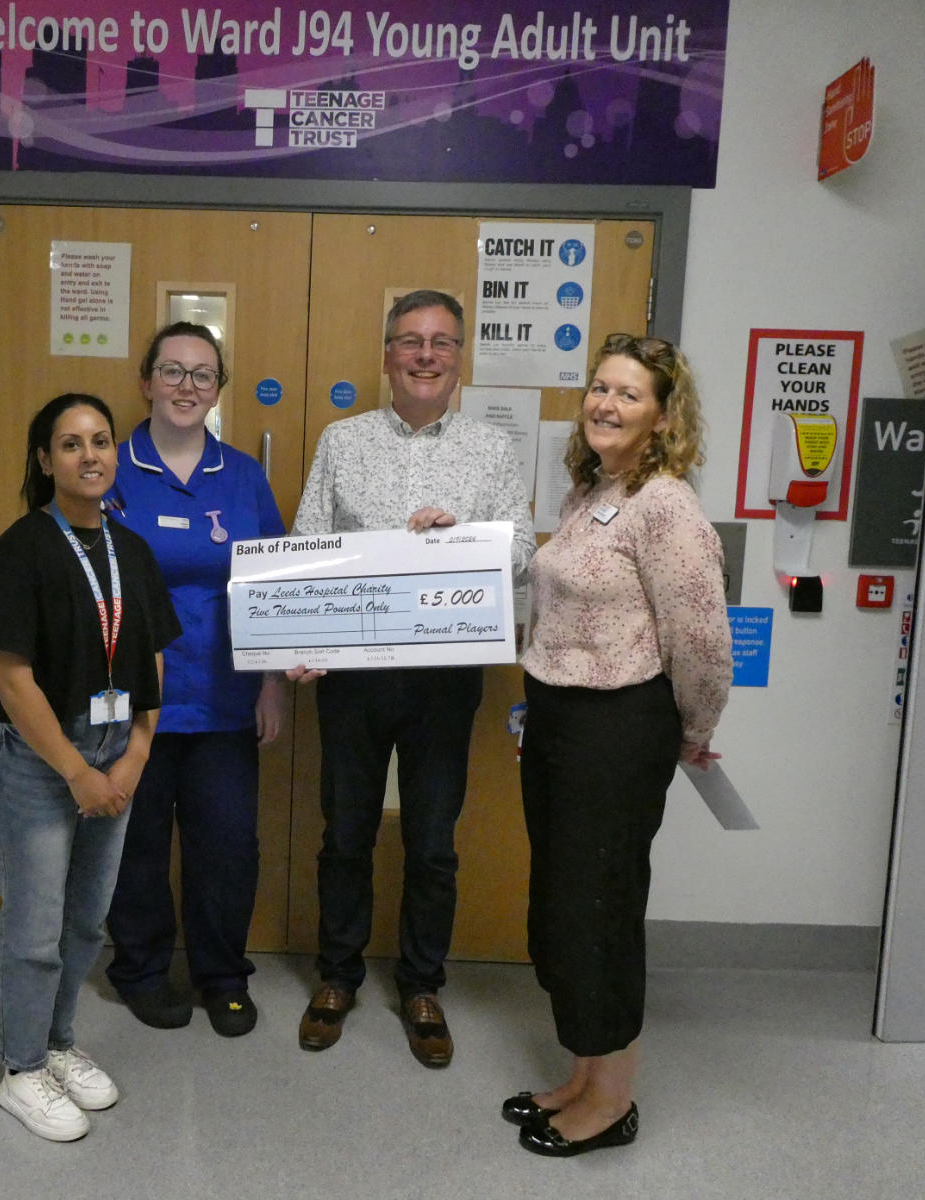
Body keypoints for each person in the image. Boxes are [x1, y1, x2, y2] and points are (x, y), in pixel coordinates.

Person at [290, 289, 534, 1067]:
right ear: (388, 353)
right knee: (346, 833)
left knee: (432, 842)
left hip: (443, 681)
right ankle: (337, 976)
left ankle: (423, 983)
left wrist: (457, 542)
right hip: (355, 680)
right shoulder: (342, 440)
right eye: (411, 341)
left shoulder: (491, 452)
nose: (426, 355)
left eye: (442, 342)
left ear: (459, 358)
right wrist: (298, 637)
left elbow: (522, 551)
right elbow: (306, 546)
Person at [506, 333, 731, 1157]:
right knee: (562, 906)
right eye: (600, 388)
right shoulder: (593, 492)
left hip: (620, 726)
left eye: (628, 394)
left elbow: (702, 642)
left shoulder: (666, 506)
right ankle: (582, 1073)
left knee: (598, 908)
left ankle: (613, 1100)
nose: (605, 403)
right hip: (561, 718)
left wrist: (696, 730)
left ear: (663, 416)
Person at [0, 393, 181, 1142]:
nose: (89, 455)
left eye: (100, 441)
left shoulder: (132, 551)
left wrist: (134, 754)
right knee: (34, 929)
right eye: (70, 444)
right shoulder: (19, 551)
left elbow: (152, 659)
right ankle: (21, 1067)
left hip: (113, 755)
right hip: (41, 763)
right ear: (44, 460)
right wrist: (76, 772)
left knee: (87, 921)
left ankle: (60, 1045)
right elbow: (10, 678)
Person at [103, 322, 287, 1037]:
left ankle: (221, 976)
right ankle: (143, 971)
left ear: (218, 391)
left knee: (228, 847)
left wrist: (270, 682)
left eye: (202, 375)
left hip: (224, 700)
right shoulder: (108, 469)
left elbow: (270, 583)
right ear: (146, 382)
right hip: (130, 707)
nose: (186, 386)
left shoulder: (241, 475)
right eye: (173, 371)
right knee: (138, 848)